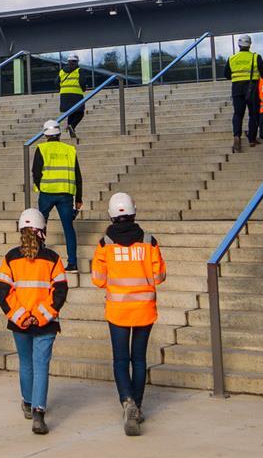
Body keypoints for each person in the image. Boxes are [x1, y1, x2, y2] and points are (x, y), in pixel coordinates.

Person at [91, 192, 166, 437]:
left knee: (121, 360)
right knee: (140, 359)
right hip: (144, 308)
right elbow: (159, 277)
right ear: (134, 211)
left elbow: (98, 279)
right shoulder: (149, 241)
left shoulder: (105, 244)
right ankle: (139, 405)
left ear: (111, 215)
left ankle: (127, 402)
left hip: (118, 309)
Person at [0, 208, 69, 435]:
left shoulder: (10, 258)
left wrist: (21, 316)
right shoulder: (53, 259)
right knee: (41, 366)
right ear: (43, 232)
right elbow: (60, 292)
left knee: (26, 364)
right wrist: (40, 315)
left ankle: (27, 403)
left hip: (20, 323)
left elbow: (3, 292)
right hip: (45, 322)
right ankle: (38, 412)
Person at [30, 119, 82, 272]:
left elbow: (36, 172)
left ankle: (37, 253)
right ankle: (72, 263)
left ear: (45, 134)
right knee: (68, 228)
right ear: (59, 133)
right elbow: (78, 176)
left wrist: (41, 187)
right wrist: (79, 198)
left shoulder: (41, 148)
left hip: (47, 193)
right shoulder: (70, 150)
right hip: (65, 194)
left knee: (40, 224)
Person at [228, 34, 262, 153]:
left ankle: (237, 135)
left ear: (239, 45)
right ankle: (252, 138)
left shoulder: (232, 58)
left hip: (237, 89)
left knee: (238, 114)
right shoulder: (256, 57)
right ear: (249, 45)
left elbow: (226, 74)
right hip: (252, 88)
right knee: (253, 114)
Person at [58, 55, 88, 139]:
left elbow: (56, 82)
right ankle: (72, 126)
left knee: (70, 113)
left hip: (64, 95)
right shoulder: (79, 70)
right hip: (76, 94)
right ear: (77, 62)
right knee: (80, 112)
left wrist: (62, 89)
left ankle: (71, 129)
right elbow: (82, 82)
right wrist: (84, 89)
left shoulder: (62, 71)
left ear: (68, 61)